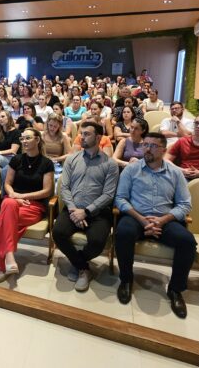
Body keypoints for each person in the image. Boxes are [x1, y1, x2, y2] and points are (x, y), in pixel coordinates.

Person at [114, 132, 194, 318]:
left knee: (187, 241)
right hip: (136, 217)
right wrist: (142, 219)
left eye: (153, 146)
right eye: (145, 145)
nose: (147, 149)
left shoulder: (175, 173)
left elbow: (185, 204)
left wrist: (162, 220)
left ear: (164, 150)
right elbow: (120, 198)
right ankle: (126, 280)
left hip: (164, 219)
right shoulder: (131, 169)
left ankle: (175, 289)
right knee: (123, 233)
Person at [52, 121, 119, 293]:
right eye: (81, 133)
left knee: (97, 241)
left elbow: (108, 195)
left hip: (97, 212)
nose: (82, 136)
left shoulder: (109, 164)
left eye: (87, 134)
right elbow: (64, 187)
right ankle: (83, 268)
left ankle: (78, 262)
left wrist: (86, 211)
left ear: (98, 137)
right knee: (58, 233)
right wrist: (75, 210)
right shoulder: (72, 159)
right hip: (73, 208)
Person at [0, 128, 54, 283]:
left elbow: (47, 191)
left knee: (1, 222)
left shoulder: (46, 163)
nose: (24, 141)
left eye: (28, 138)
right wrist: (14, 196)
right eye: (22, 138)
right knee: (9, 204)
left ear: (37, 140)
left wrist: (22, 196)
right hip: (13, 202)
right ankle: (9, 257)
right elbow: (7, 184)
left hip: (34, 206)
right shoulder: (17, 159)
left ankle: (3, 266)